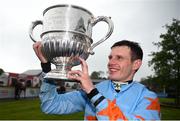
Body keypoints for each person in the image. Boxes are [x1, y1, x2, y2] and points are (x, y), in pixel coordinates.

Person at [33, 40, 160, 120]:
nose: (111, 62)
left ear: (136, 64)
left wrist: (93, 94)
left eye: (119, 58)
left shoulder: (148, 98)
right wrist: (47, 69)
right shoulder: (96, 89)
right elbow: (50, 105)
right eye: (110, 57)